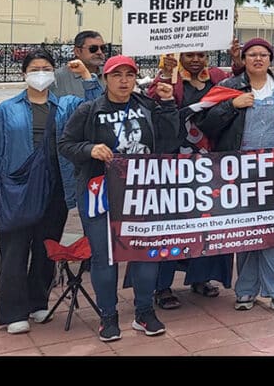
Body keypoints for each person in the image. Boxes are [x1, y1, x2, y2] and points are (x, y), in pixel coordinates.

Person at [59, 54, 180, 341]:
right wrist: (90, 149)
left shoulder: (148, 106)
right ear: (105, 79)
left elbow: (169, 140)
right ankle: (108, 317)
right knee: (104, 257)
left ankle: (144, 312)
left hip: (141, 193)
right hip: (100, 193)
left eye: (129, 75)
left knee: (145, 253)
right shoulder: (89, 110)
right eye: (117, 75)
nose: (124, 81)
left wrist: (167, 105)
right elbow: (66, 144)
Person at [195, 38, 274, 318]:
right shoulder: (228, 88)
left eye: (263, 54)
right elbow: (205, 124)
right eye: (252, 55)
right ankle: (245, 288)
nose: (258, 59)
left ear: (271, 59)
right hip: (237, 172)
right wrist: (232, 106)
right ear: (244, 59)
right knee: (245, 229)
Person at [0, 50, 101, 335]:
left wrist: (86, 76)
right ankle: (12, 311)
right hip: (15, 190)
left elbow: (96, 109)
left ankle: (37, 301)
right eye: (35, 68)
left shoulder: (66, 105)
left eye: (46, 68)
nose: (40, 73)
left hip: (56, 187)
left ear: (54, 73)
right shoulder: (7, 109)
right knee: (14, 252)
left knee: (46, 249)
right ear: (24, 73)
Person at [141, 46, 243, 310]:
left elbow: (239, 87)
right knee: (170, 224)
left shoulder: (217, 77)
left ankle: (201, 278)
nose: (196, 60)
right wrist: (166, 74)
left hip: (210, 163)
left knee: (207, 222)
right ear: (182, 57)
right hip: (173, 163)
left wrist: (238, 62)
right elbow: (154, 99)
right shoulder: (170, 78)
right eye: (190, 55)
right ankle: (161, 286)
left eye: (201, 55)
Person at [52, 30, 107, 100]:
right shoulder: (59, 77)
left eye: (103, 48)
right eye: (93, 49)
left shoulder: (108, 75)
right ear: (77, 51)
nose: (99, 52)